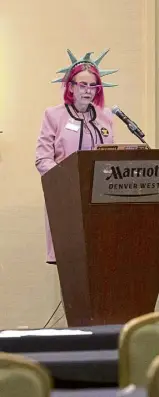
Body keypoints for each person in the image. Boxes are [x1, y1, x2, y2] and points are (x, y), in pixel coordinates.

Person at [35, 48, 118, 263]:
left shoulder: (106, 117)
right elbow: (43, 159)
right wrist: (66, 181)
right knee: (72, 263)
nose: (88, 91)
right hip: (67, 198)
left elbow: (111, 157)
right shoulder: (53, 115)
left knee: (101, 260)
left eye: (93, 86)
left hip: (100, 200)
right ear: (71, 86)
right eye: (83, 85)